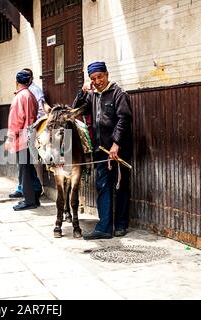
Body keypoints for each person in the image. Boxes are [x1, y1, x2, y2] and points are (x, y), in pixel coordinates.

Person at [75, 61, 133, 240]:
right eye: (93, 78)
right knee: (103, 186)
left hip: (119, 148)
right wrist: (83, 91)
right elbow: (76, 107)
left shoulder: (118, 93)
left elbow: (124, 119)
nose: (97, 80)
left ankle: (121, 225)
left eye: (100, 76)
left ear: (107, 74)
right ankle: (105, 228)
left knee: (121, 185)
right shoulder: (92, 95)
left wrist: (116, 143)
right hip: (100, 149)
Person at [6, 70, 41, 211]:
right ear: (28, 82)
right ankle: (35, 196)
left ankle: (29, 201)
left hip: (22, 138)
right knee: (29, 168)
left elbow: (16, 121)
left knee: (25, 171)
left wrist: (10, 138)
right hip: (31, 136)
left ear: (16, 82)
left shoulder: (19, 97)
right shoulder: (31, 96)